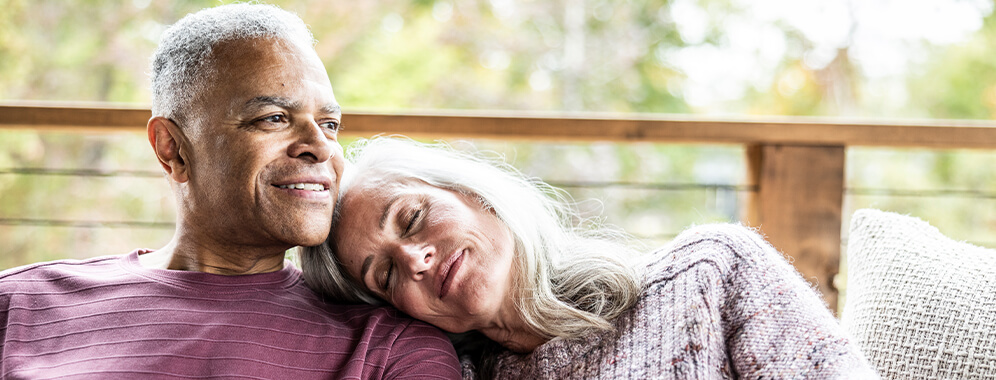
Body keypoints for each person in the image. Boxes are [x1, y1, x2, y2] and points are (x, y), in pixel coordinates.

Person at [0, 5, 461, 379]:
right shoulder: (19, 305)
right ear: (173, 149)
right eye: (274, 118)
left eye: (329, 124)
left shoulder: (392, 349)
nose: (322, 147)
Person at [300, 137, 881, 379]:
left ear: (473, 195)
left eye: (411, 218)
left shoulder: (712, 271)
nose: (416, 260)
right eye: (386, 273)